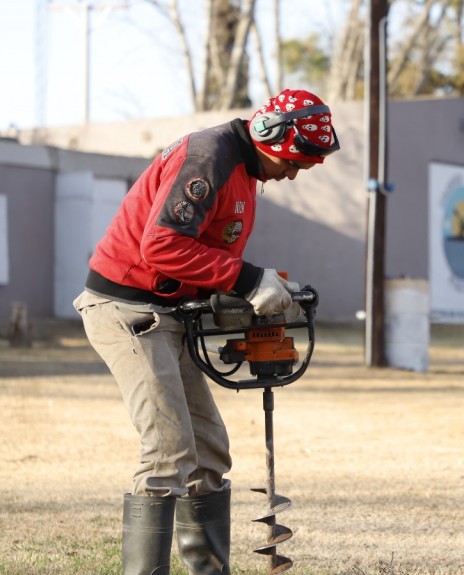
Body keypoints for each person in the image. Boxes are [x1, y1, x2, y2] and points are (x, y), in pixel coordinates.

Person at [73, 88, 339, 575]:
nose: (293, 173)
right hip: (127, 309)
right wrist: (248, 279)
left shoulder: (245, 171)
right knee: (168, 452)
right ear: (268, 135)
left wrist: (260, 291)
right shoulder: (209, 158)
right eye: (294, 163)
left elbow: (212, 257)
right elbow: (163, 246)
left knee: (210, 452)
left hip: (170, 313)